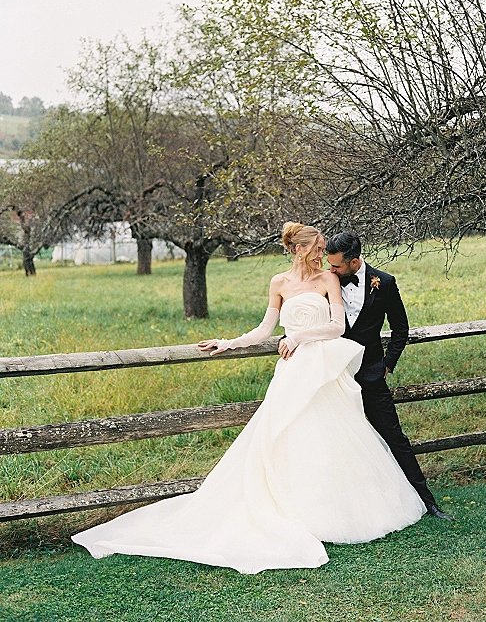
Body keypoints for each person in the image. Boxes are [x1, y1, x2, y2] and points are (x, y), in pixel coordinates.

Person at [72, 223, 426, 574]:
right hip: (293, 372)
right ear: (301, 249)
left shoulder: (327, 280)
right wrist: (229, 343)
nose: (323, 256)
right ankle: (293, 511)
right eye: (318, 249)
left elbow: (336, 327)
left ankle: (337, 511)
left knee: (331, 440)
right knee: (289, 438)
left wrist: (300, 335)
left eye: (325, 251)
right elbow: (264, 329)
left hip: (323, 370)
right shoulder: (279, 283)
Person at [322, 231, 451, 520]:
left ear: (354, 262)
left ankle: (426, 500)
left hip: (370, 375)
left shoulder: (385, 283)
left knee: (394, 437)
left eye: (336, 267)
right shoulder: (325, 282)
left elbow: (400, 328)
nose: (331, 271)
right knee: (337, 442)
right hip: (335, 377)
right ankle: (345, 511)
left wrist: (386, 365)